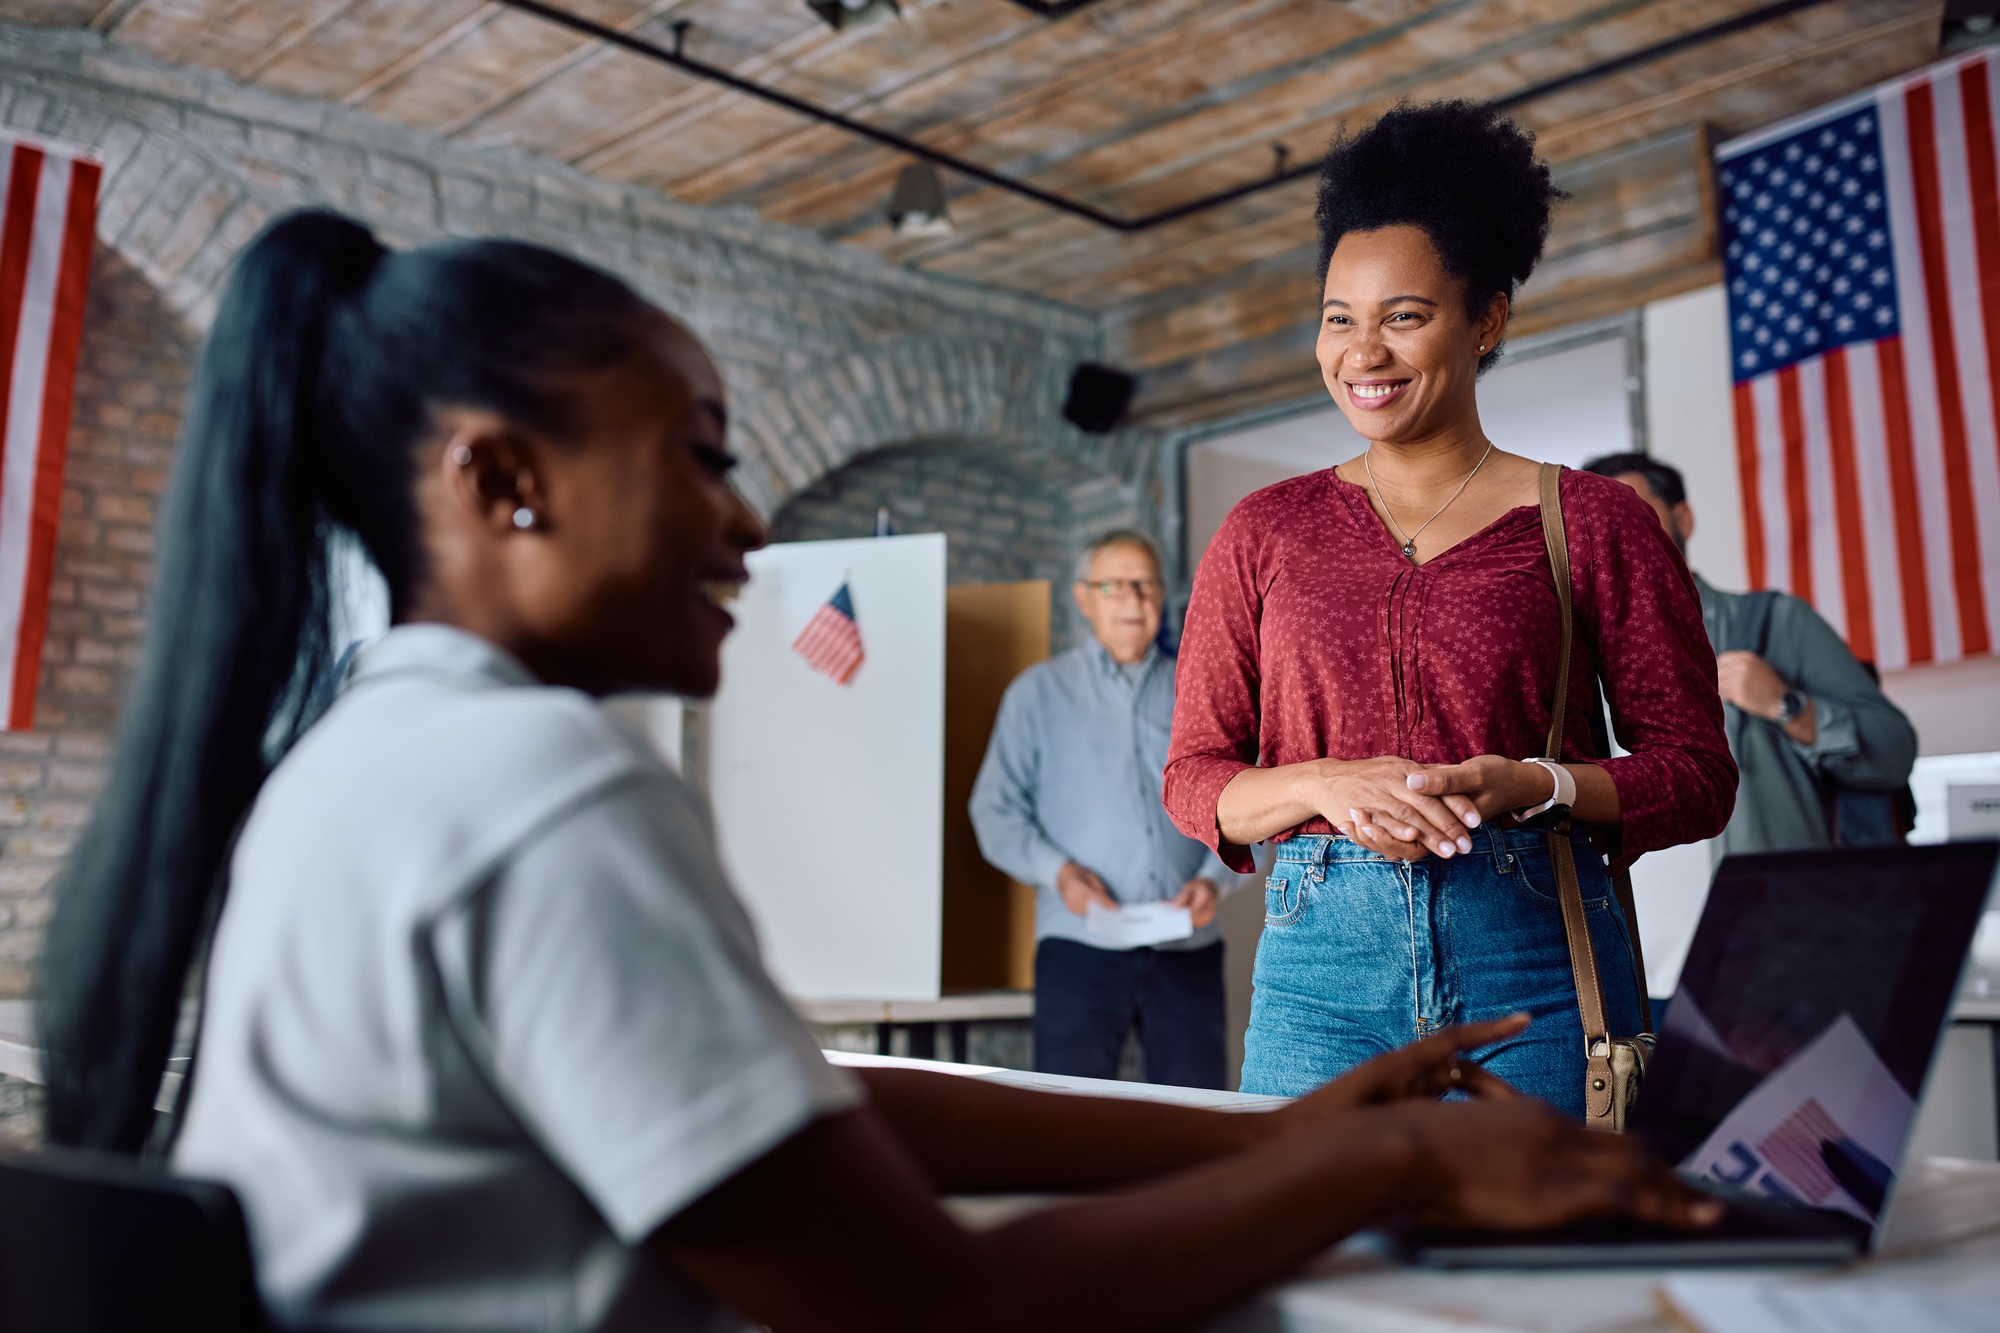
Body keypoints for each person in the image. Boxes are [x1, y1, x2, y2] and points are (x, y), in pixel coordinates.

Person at [35, 210, 1716, 1333]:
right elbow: (935, 1298)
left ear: (1486, 326)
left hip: (1517, 954)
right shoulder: (536, 788)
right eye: (702, 457)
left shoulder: (387, 748)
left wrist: (1251, 1140)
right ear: (500, 482)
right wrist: (1381, 1162)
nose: (747, 522)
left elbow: (811, 1113)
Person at [1165, 102, 1737, 1113]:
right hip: (1316, 983)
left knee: (1532, 1221)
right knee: (1310, 1215)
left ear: (1487, 321)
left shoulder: (1591, 520)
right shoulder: (1262, 532)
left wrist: (1536, 783)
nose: (1362, 352)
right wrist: (1325, 781)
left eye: (1403, 316)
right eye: (1338, 318)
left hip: (1535, 964)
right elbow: (1193, 778)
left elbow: (1695, 773)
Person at [969, 531, 1231, 1088]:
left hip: (1188, 950)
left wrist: (1216, 880)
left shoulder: (1200, 691)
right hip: (1079, 948)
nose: (1133, 599)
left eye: (1145, 584)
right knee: (1069, 1117)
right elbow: (994, 810)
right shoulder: (1036, 694)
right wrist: (1059, 873)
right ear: (1083, 598)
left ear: (1162, 596)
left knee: (1198, 1116)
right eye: (1114, 586)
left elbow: (1245, 799)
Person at [1581, 452, 1917, 854]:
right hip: (1625, 895)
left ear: (1683, 519)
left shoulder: (1776, 622)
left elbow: (1894, 755)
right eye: (1594, 525)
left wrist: (1788, 706)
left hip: (1779, 891)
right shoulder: (1567, 661)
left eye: (1634, 515)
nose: (1614, 537)